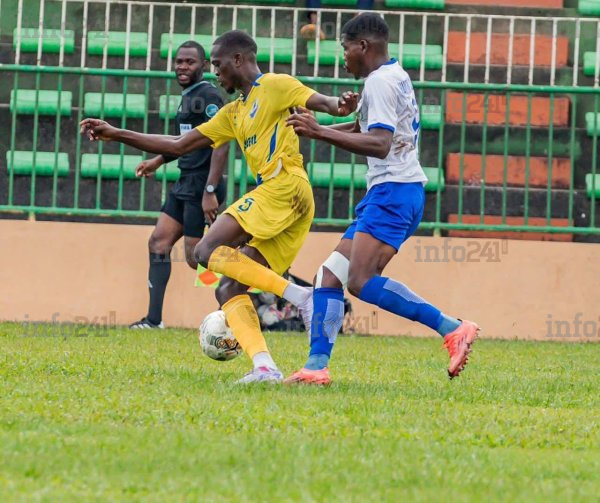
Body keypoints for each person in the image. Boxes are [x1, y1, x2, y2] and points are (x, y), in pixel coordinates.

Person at [80, 30, 358, 384]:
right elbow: (179, 144)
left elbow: (325, 104)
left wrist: (341, 104)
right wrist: (116, 133)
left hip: (284, 186)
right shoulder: (234, 112)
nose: (215, 72)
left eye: (218, 64)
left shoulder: (275, 85)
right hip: (286, 198)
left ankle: (302, 297)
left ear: (238, 59)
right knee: (227, 289)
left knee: (204, 250)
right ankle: (264, 367)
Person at [282, 13, 480, 385]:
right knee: (329, 276)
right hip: (393, 191)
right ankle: (316, 367)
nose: (343, 58)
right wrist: (314, 129)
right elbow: (363, 129)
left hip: (394, 191)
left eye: (345, 49)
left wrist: (319, 133)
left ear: (363, 46)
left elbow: (379, 143)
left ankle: (452, 327)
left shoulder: (379, 82)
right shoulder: (394, 75)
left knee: (360, 280)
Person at [129, 41, 228, 330]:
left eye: (190, 62)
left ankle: (255, 287)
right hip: (185, 181)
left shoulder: (209, 95)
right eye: (179, 61)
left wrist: (210, 190)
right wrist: (158, 161)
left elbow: (222, 141)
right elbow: (183, 143)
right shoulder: (188, 96)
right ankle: (153, 321)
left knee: (196, 259)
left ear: (204, 65)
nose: (182, 67)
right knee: (158, 242)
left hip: (201, 184)